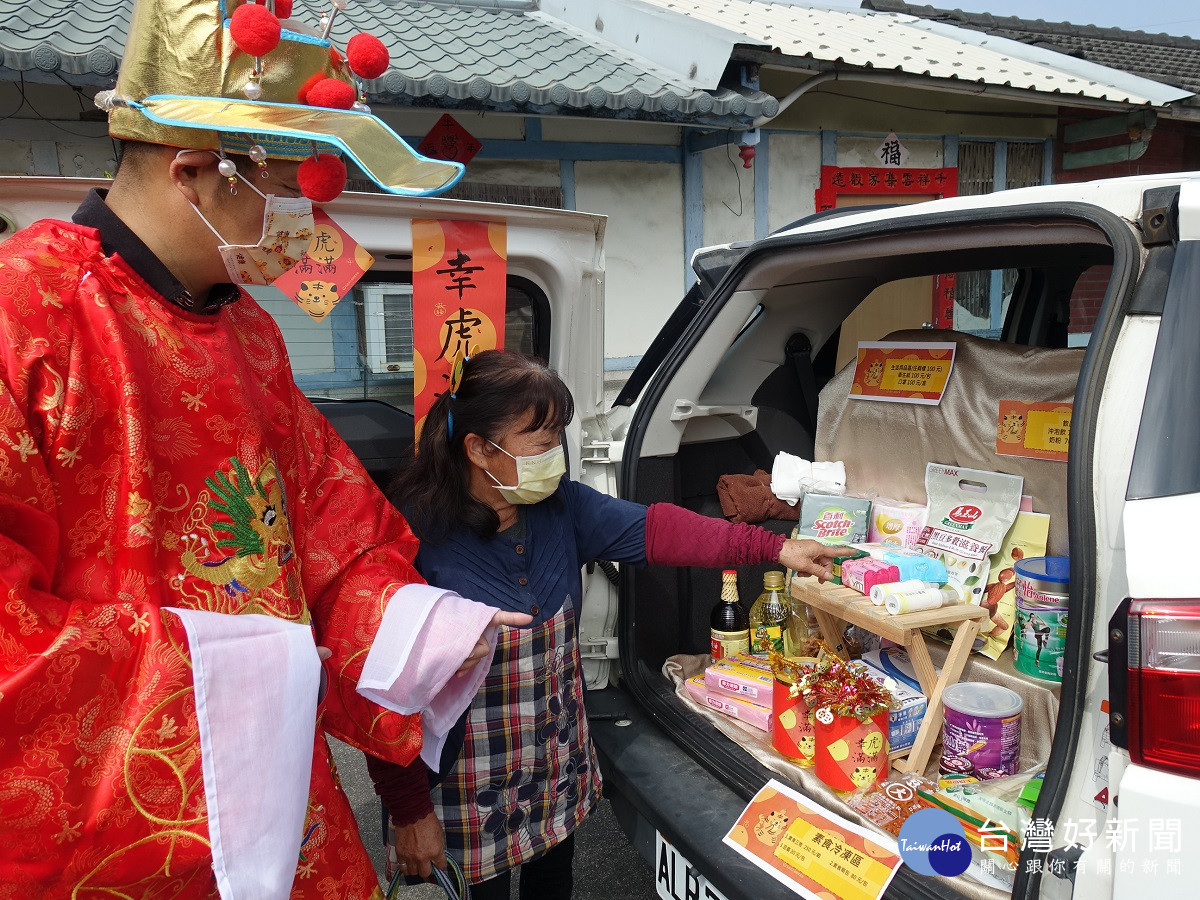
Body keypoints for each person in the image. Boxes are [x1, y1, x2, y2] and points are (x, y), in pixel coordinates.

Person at [0, 1, 528, 896]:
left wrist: (422, 628)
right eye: (293, 187)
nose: (307, 227)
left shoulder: (248, 336)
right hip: (117, 838)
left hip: (279, 794)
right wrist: (246, 662)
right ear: (197, 170)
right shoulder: (27, 318)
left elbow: (328, 526)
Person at [367, 350, 838, 899]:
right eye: (538, 442)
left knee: (552, 883)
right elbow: (385, 694)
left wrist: (776, 547)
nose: (553, 456)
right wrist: (408, 810)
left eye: (556, 439)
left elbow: (660, 532)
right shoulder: (410, 535)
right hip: (464, 781)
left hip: (553, 762)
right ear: (477, 449)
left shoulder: (559, 506)